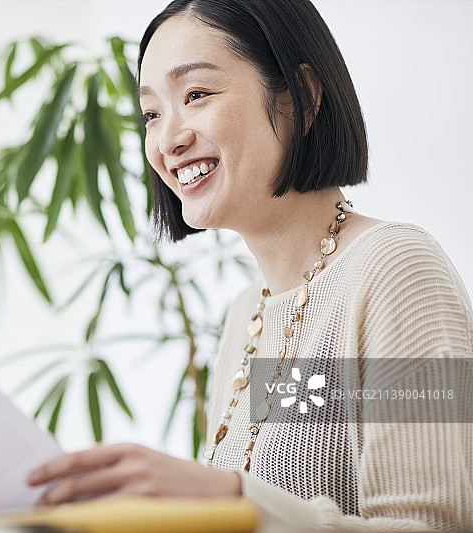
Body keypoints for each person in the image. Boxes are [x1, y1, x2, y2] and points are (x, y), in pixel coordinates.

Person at [26, 0, 473, 530]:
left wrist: (232, 495)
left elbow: (438, 525)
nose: (169, 139)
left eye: (196, 94)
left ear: (302, 97)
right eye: (151, 113)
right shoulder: (247, 314)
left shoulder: (397, 269)